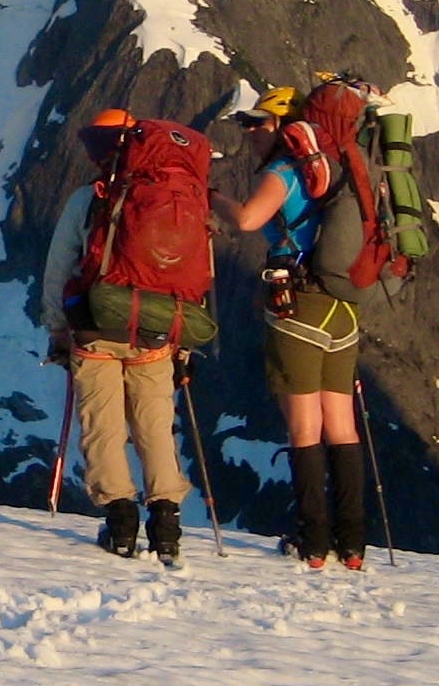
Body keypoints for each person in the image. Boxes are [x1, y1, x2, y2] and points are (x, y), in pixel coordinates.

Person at [40, 108, 211, 563]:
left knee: (103, 424)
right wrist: (183, 337)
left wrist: (57, 328)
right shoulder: (181, 197)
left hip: (96, 326)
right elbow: (198, 271)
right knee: (155, 423)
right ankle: (167, 521)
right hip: (158, 330)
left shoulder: (89, 198)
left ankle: (119, 521)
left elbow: (60, 266)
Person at [227, 84, 368, 569]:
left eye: (257, 124)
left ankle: (314, 541)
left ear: (285, 127)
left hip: (299, 306)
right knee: (343, 426)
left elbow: (248, 220)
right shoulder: (342, 173)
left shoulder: (282, 173)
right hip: (343, 306)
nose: (249, 134)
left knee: (305, 426)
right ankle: (352, 544)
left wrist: (211, 199)